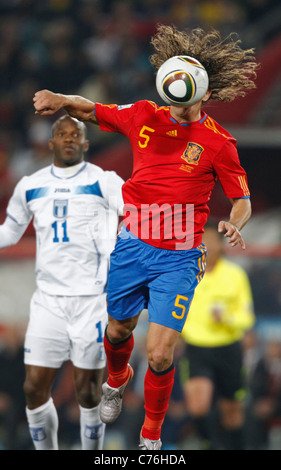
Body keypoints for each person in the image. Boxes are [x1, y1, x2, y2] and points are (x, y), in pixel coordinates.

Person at [32, 24, 258, 450]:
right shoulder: (143, 115)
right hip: (133, 243)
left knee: (160, 353)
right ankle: (118, 378)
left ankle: (151, 434)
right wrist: (62, 100)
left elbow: (241, 199)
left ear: (204, 94)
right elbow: (92, 110)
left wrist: (235, 223)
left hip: (180, 255)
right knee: (118, 331)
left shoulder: (219, 143)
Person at [0, 115, 124, 450]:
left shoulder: (106, 181)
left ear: (85, 144)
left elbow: (137, 215)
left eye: (76, 134)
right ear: (52, 142)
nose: (68, 139)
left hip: (91, 300)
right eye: (61, 134)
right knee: (33, 388)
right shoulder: (30, 184)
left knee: (87, 390)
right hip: (48, 301)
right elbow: (10, 232)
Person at [181, 220, 255, 450]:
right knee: (197, 407)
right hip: (196, 348)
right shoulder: (187, 273)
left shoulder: (235, 275)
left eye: (211, 240)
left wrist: (227, 318)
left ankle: (236, 445)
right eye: (202, 241)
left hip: (228, 348)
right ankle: (211, 444)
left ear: (221, 245)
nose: (207, 245)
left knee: (232, 413)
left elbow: (248, 317)